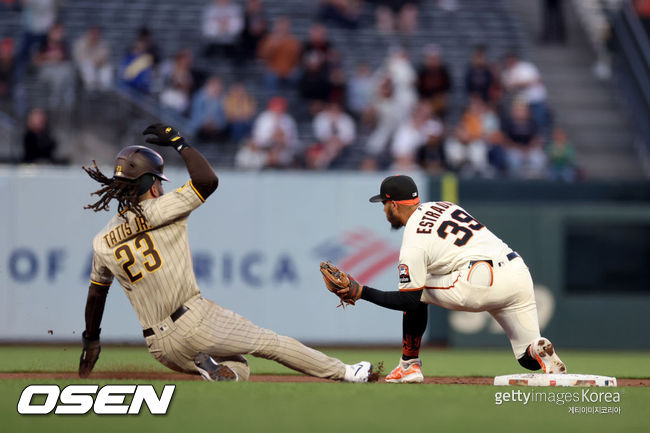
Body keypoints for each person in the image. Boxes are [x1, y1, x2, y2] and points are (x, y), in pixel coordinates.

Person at [78, 124, 374, 383]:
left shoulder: (102, 240)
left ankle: (213, 371)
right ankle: (347, 373)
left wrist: (91, 341)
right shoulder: (161, 209)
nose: (161, 187)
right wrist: (180, 142)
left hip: (159, 346)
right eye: (158, 181)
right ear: (152, 186)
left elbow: (96, 295)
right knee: (269, 342)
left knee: (238, 368)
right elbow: (207, 181)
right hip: (192, 321)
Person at [323, 175, 567, 383]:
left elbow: (409, 301)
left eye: (384, 204)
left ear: (394, 206)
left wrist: (361, 292)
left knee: (415, 293)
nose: (384, 210)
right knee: (527, 360)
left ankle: (409, 366)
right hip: (518, 273)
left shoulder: (413, 241)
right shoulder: (446, 206)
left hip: (480, 278)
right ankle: (537, 349)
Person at [72, 26, 113, 91]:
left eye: (96, 34)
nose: (94, 36)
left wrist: (98, 62)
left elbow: (104, 57)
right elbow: (80, 58)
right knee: (87, 65)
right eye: (93, 33)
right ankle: (91, 88)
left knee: (107, 67)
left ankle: (104, 89)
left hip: (99, 66)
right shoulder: (80, 43)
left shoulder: (103, 44)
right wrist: (93, 61)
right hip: (83, 68)